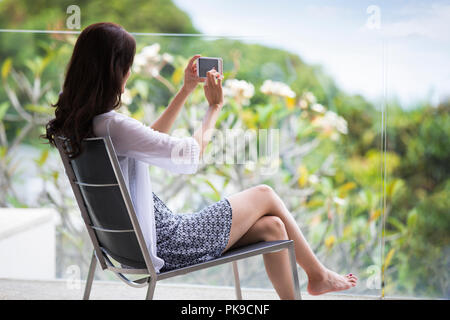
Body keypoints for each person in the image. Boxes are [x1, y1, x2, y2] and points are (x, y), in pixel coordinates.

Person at [43, 22, 357, 299]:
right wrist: (214, 108)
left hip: (128, 245)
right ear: (115, 71)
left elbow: (149, 140)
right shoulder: (113, 124)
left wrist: (184, 90)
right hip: (170, 243)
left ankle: (313, 281)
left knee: (273, 227)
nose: (128, 74)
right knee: (264, 194)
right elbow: (189, 157)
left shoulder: (82, 124)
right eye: (128, 67)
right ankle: (318, 275)